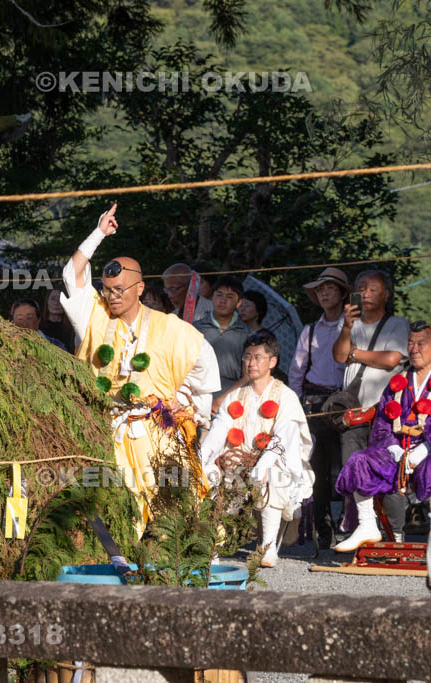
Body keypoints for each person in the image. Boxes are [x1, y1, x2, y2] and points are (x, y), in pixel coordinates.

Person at [61, 204, 221, 527]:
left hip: (158, 430)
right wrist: (99, 233)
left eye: (119, 290)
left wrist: (186, 398)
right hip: (107, 432)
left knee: (173, 514)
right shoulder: (93, 316)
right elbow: (72, 274)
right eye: (107, 290)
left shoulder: (169, 327)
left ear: (140, 289)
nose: (112, 297)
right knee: (113, 512)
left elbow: (203, 365)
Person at [199, 331, 313, 567]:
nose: (251, 363)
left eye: (258, 357)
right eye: (247, 357)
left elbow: (285, 438)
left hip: (274, 465)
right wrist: (205, 458)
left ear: (272, 362)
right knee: (208, 472)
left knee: (269, 474)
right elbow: (220, 429)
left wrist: (260, 463)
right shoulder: (235, 397)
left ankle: (268, 547)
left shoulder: (286, 396)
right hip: (236, 461)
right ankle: (213, 546)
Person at [334, 321, 431, 551]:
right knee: (361, 460)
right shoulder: (398, 382)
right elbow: (382, 424)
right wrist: (393, 448)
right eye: (411, 343)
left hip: (426, 450)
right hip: (397, 449)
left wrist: (424, 449)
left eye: (422, 343)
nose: (414, 348)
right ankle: (367, 524)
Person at [331, 269, 409, 536]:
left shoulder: (398, 324)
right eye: (361, 288)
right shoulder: (352, 325)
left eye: (372, 289)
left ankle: (394, 533)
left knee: (387, 471)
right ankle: (360, 527)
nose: (364, 293)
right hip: (353, 413)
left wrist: (356, 353)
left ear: (386, 294)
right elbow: (340, 356)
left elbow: (391, 359)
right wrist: (346, 328)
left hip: (385, 414)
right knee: (352, 467)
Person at [287, 267, 350, 548]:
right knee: (318, 468)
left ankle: (351, 524)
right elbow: (297, 371)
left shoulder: (354, 328)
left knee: (347, 465)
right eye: (320, 290)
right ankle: (323, 527)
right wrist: (295, 406)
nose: (324, 293)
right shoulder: (310, 329)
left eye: (330, 288)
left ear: (343, 294)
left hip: (346, 401)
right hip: (314, 402)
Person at [194, 276, 251, 407]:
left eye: (230, 297)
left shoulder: (247, 333)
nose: (223, 301)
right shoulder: (195, 329)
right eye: (219, 295)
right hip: (198, 396)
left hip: (233, 398)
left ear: (239, 303)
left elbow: (248, 376)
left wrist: (221, 400)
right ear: (211, 297)